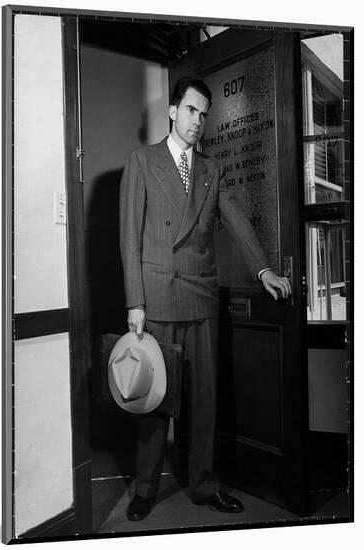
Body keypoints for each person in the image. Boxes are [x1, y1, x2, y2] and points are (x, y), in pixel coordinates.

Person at [119, 76, 291, 521]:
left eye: (204, 114)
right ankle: (144, 490)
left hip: (199, 298)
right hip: (156, 299)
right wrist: (134, 302)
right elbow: (128, 240)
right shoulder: (142, 161)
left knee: (203, 402)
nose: (198, 121)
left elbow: (235, 220)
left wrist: (264, 268)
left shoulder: (211, 170)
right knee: (155, 403)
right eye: (191, 111)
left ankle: (203, 485)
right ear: (173, 112)